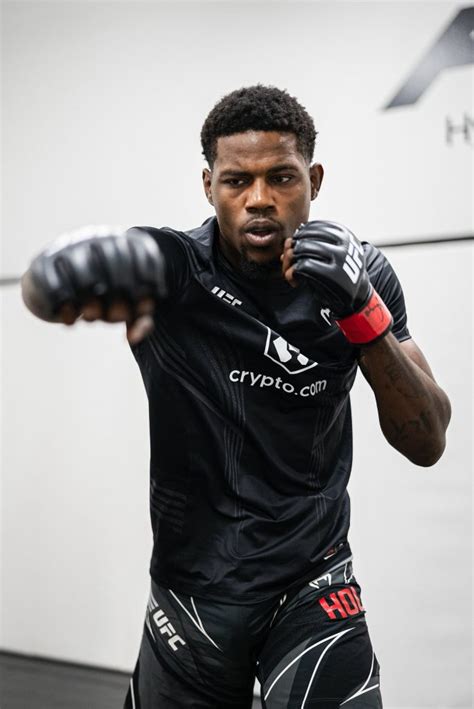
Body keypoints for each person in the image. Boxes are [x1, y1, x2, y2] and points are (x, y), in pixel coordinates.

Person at [21, 85, 451, 708]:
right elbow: (45, 286)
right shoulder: (174, 269)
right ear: (208, 186)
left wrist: (362, 314)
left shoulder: (363, 274)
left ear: (314, 179)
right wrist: (64, 276)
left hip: (314, 581)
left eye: (282, 177)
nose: (259, 199)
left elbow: (428, 440)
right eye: (236, 181)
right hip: (192, 593)